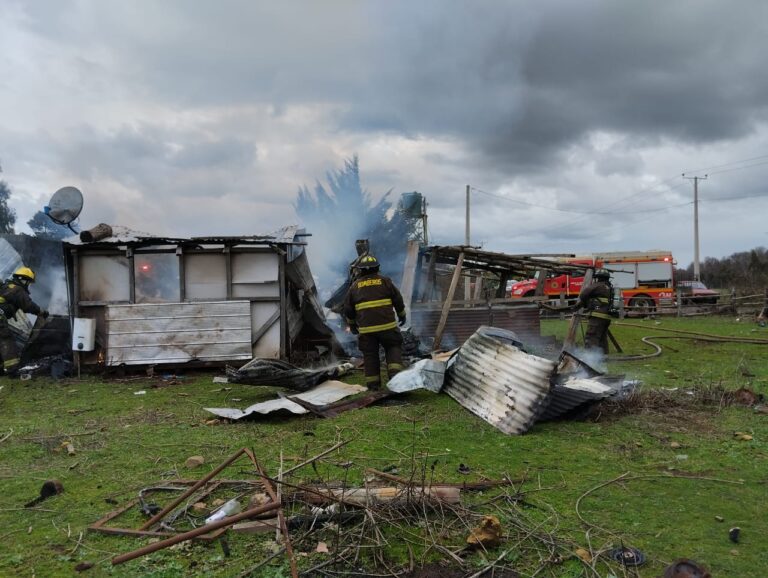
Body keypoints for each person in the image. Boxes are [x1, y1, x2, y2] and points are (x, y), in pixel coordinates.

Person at [343, 255, 407, 390]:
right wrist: (402, 315)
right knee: (393, 347)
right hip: (388, 327)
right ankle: (396, 379)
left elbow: (348, 309)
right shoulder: (385, 282)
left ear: (360, 271)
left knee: (370, 355)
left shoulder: (354, 287)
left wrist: (353, 325)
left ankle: (373, 386)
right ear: (377, 268)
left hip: (367, 331)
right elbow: (398, 300)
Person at [0, 267, 48, 375]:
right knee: (6, 341)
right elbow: (28, 306)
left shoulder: (7, 287)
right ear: (23, 280)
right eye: (28, 283)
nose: (28, 285)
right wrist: (42, 312)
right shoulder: (17, 289)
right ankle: (12, 369)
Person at [575, 269, 613, 353]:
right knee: (602, 338)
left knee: (591, 336)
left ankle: (589, 359)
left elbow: (583, 294)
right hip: (606, 317)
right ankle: (603, 357)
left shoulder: (597, 285)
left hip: (597, 316)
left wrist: (584, 303)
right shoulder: (609, 287)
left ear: (598, 278)